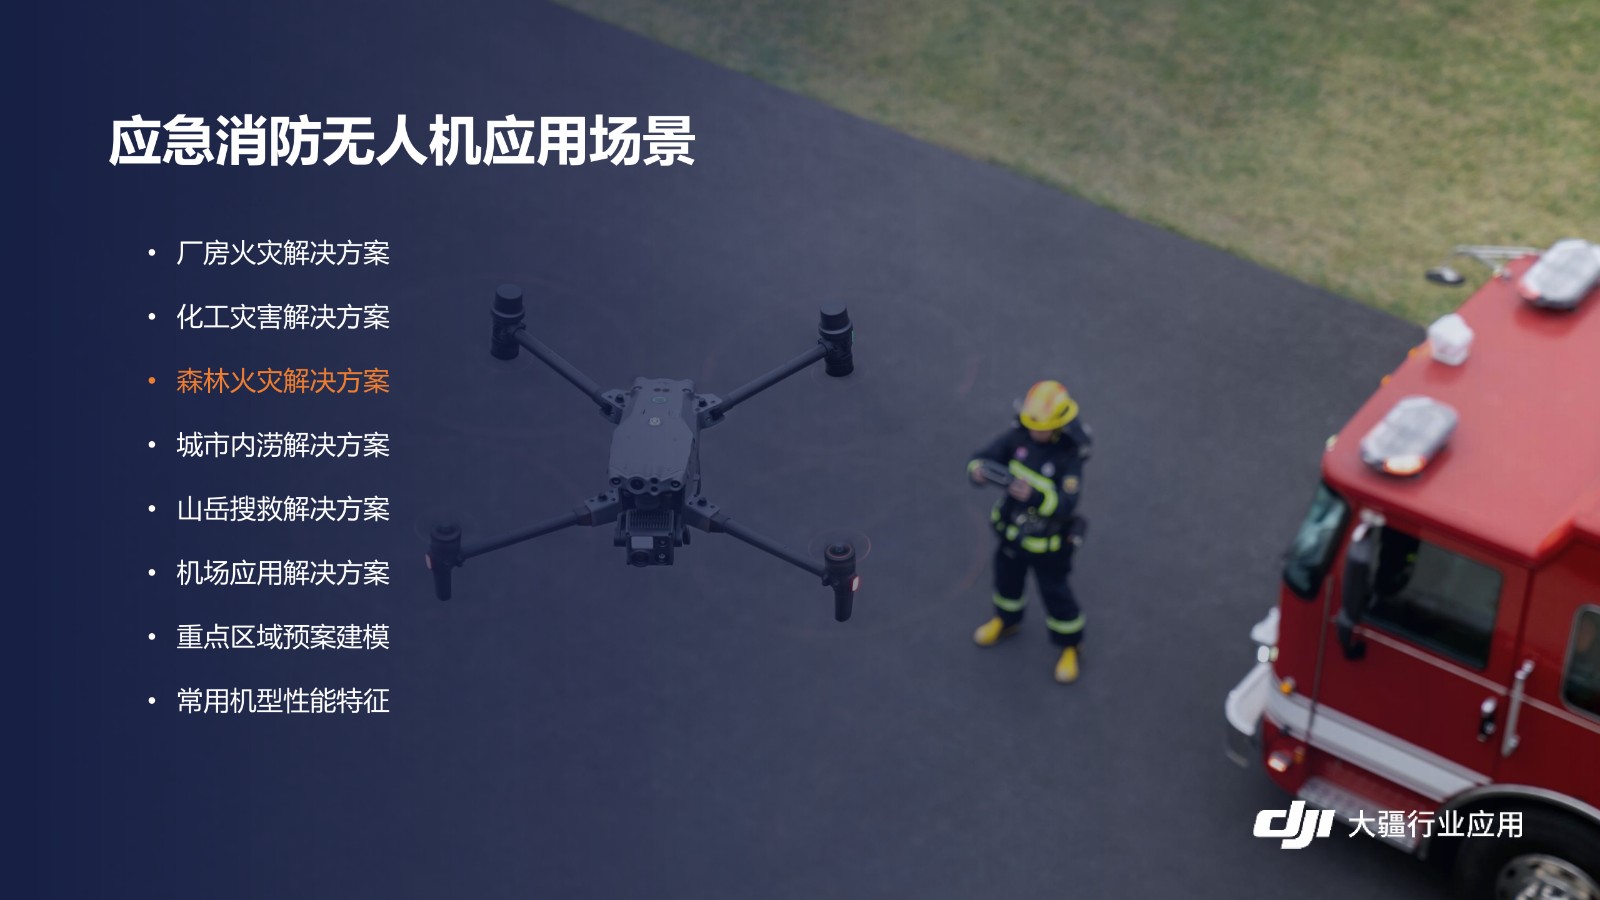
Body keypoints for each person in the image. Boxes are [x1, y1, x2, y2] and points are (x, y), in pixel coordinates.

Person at [967, 380, 1092, 683]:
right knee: (1006, 585)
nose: (1035, 432)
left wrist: (1034, 496)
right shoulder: (1018, 437)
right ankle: (1006, 621)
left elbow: (1066, 503)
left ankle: (1070, 646)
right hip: (1012, 537)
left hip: (1049, 548)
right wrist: (978, 471)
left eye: (1042, 428)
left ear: (1059, 425)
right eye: (1032, 426)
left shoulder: (1068, 455)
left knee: (1056, 596)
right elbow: (982, 457)